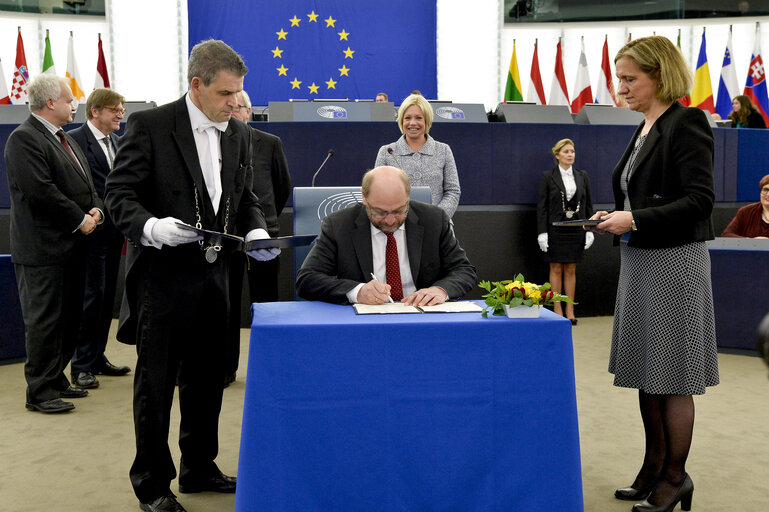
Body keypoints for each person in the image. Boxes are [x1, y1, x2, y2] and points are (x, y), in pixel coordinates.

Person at [104, 40, 278, 512]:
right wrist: (151, 227)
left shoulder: (237, 134)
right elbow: (118, 194)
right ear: (196, 85)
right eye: (225, 94)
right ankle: (152, 484)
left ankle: (199, 466)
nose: (234, 104)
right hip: (162, 279)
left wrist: (258, 230)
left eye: (239, 93)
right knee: (155, 384)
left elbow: (244, 199)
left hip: (216, 278)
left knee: (206, 380)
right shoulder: (151, 125)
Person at [588, 36, 719, 512]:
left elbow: (700, 201)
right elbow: (643, 196)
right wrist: (617, 216)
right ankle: (653, 467)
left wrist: (635, 218)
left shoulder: (687, 122)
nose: (620, 87)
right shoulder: (645, 126)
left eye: (629, 79)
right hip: (639, 260)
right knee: (648, 372)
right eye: (618, 78)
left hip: (674, 263)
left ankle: (675, 477)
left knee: (673, 377)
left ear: (659, 76)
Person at [4, 74, 103, 413]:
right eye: (69, 99)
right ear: (50, 103)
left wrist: (96, 210)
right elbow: (42, 192)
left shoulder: (65, 138)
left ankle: (57, 377)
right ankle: (40, 391)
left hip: (72, 249)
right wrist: (81, 220)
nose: (75, 105)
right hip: (43, 252)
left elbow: (86, 183)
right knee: (44, 322)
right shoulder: (24, 140)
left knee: (68, 319)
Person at [296, 166, 476, 306]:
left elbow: (463, 270)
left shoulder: (434, 219)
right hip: (365, 321)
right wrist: (358, 291)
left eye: (399, 211)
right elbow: (307, 280)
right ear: (364, 198)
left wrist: (440, 290)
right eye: (380, 212)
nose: (390, 221)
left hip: (422, 317)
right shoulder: (339, 225)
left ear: (408, 196)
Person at [225, 89, 291, 386]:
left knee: (266, 306)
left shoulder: (270, 143)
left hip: (264, 238)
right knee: (227, 306)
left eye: (236, 107)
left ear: (248, 112)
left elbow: (281, 186)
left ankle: (268, 369)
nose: (231, 111)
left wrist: (263, 222)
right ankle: (226, 369)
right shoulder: (217, 140)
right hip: (226, 239)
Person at [67, 88, 131, 390]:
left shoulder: (118, 142)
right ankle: (80, 366)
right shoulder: (75, 141)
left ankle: (97, 357)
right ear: (95, 111)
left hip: (115, 234)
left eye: (122, 109)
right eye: (115, 109)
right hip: (88, 234)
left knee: (107, 300)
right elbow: (78, 189)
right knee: (90, 299)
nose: (121, 115)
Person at [536, 138, 594, 325]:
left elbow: (587, 204)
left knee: (571, 268)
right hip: (555, 228)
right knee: (556, 267)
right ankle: (557, 309)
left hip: (576, 228)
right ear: (557, 155)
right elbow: (542, 207)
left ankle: (570, 309)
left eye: (572, 151)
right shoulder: (548, 176)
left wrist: (590, 229)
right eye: (566, 151)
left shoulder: (582, 175)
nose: (570, 155)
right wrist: (542, 232)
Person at [374, 94, 461, 218]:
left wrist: (437, 218)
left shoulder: (444, 150)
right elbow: (378, 192)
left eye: (419, 118)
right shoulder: (386, 152)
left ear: (427, 120)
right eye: (407, 118)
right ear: (401, 120)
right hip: (396, 226)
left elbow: (453, 191)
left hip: (437, 225)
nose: (412, 123)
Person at [720, 174, 769, 238]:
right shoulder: (746, 212)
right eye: (765, 190)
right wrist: (750, 242)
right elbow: (726, 235)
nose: (768, 194)